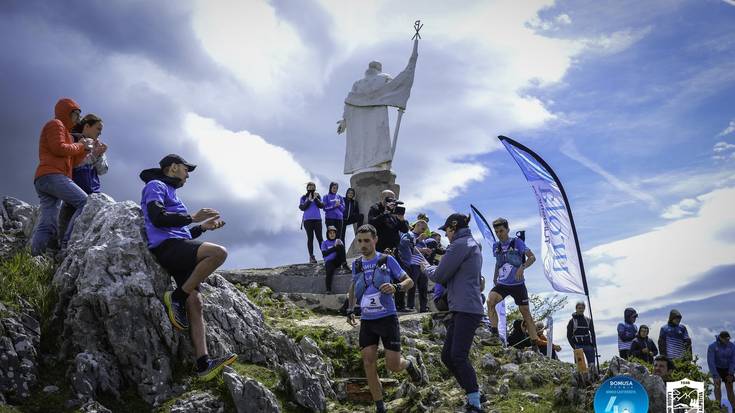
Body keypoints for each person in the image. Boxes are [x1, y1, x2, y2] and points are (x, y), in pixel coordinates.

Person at [140, 154, 236, 381]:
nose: (188, 174)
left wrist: (202, 227)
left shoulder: (171, 192)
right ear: (173, 167)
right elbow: (157, 217)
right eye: (186, 169)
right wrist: (192, 216)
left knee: (197, 302)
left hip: (176, 244)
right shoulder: (156, 185)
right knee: (218, 253)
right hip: (167, 247)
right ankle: (176, 297)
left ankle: (203, 364)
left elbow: (182, 233)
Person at [346, 224, 422, 413]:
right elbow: (354, 286)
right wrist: (350, 309)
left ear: (375, 240)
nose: (363, 244)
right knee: (368, 363)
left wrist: (396, 287)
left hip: (387, 318)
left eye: (366, 240)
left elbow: (409, 281)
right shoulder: (356, 264)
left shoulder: (387, 260)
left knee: (393, 366)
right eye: (360, 241)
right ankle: (380, 407)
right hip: (367, 321)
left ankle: (409, 364)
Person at [421, 213, 486, 413]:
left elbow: (440, 275)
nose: (446, 235)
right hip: (462, 308)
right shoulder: (468, 243)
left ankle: (475, 403)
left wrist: (425, 266)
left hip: (466, 308)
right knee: (447, 356)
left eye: (447, 230)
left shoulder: (460, 245)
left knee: (457, 356)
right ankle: (473, 392)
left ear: (453, 227)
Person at [30, 98, 95, 255]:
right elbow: (59, 148)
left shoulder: (66, 133)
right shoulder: (56, 124)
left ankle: (34, 258)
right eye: (77, 114)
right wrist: (81, 145)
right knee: (85, 202)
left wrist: (85, 150)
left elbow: (71, 161)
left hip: (46, 178)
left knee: (48, 223)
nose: (79, 118)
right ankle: (66, 244)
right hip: (53, 175)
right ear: (68, 112)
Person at [486, 218, 538, 345]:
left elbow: (532, 257)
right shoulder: (496, 246)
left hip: (518, 285)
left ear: (507, 230)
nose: (499, 234)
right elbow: (498, 263)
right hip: (503, 284)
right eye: (497, 232)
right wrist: (494, 278)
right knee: (490, 301)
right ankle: (494, 336)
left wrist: (522, 267)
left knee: (526, 314)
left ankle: (535, 344)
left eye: (501, 231)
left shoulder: (517, 242)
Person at [58, 114, 109, 242]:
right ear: (87, 126)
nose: (100, 133)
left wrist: (99, 155)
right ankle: (61, 247)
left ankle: (66, 248)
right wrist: (93, 155)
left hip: (92, 192)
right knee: (66, 221)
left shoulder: (98, 145)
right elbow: (73, 165)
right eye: (98, 129)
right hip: (73, 188)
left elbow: (103, 170)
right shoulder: (73, 140)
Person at [398, 220, 430, 312]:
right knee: (412, 286)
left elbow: (419, 251)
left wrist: (426, 251)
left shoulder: (423, 238)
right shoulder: (409, 234)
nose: (424, 230)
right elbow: (408, 248)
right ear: (418, 224)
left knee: (423, 287)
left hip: (422, 265)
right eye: (423, 228)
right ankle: (410, 306)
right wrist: (423, 249)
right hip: (413, 264)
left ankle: (423, 307)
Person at [708, 331, 735, 409]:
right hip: (717, 368)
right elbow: (711, 362)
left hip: (727, 369)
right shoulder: (712, 346)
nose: (727, 341)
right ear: (720, 338)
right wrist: (715, 375)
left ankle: (734, 408)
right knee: (717, 386)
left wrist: (730, 373)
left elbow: (733, 360)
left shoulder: (732, 346)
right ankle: (718, 406)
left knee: (730, 388)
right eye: (726, 339)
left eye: (728, 339)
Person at [299, 182, 324, 264]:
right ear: (307, 188)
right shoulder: (303, 197)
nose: (311, 189)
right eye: (309, 187)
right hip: (307, 221)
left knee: (320, 238)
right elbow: (302, 207)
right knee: (310, 238)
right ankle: (311, 257)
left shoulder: (318, 196)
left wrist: (315, 198)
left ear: (315, 188)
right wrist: (309, 200)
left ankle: (325, 255)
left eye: (313, 187)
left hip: (317, 220)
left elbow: (321, 206)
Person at [566, 301, 596, 367]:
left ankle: (593, 376)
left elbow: (593, 333)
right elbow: (568, 336)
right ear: (576, 309)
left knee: (592, 366)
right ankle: (582, 377)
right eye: (579, 308)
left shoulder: (588, 320)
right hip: (577, 346)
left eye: (582, 308)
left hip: (589, 346)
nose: (581, 310)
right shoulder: (572, 321)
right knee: (580, 367)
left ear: (584, 309)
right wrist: (574, 347)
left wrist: (594, 345)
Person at [321, 225, 346, 293]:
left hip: (337, 260)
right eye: (330, 233)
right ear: (327, 234)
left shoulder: (338, 241)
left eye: (333, 233)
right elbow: (324, 254)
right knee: (329, 271)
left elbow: (342, 251)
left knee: (340, 245)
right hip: (329, 262)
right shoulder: (324, 243)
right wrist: (334, 248)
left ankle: (344, 264)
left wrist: (337, 246)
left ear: (335, 234)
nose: (332, 234)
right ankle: (328, 289)